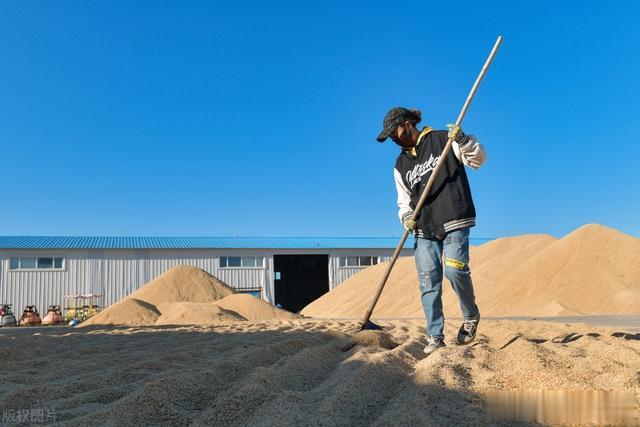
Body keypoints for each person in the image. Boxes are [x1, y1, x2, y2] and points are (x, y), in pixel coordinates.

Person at [376, 107, 487, 355]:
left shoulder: (442, 140)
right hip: (424, 228)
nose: (392, 139)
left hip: (454, 218)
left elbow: (479, 160)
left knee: (454, 270)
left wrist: (463, 140)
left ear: (406, 124)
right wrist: (405, 217)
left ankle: (470, 315)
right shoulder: (400, 164)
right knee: (428, 284)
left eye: (393, 133)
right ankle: (435, 336)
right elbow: (403, 201)